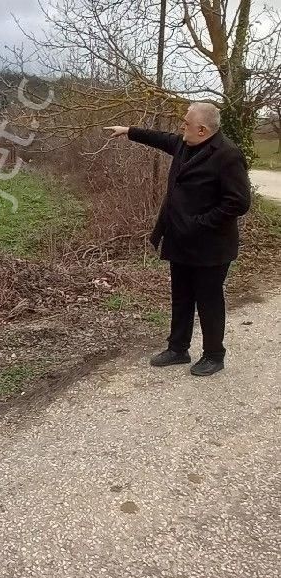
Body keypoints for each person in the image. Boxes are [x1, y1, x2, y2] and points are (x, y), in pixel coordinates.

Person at [106, 103, 251, 376]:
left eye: (186, 123)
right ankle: (177, 349)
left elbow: (239, 202)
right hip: (180, 239)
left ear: (202, 129)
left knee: (208, 299)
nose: (182, 127)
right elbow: (162, 139)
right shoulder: (186, 143)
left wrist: (199, 224)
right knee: (181, 296)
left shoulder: (227, 155)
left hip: (211, 246)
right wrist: (129, 131)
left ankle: (214, 355)